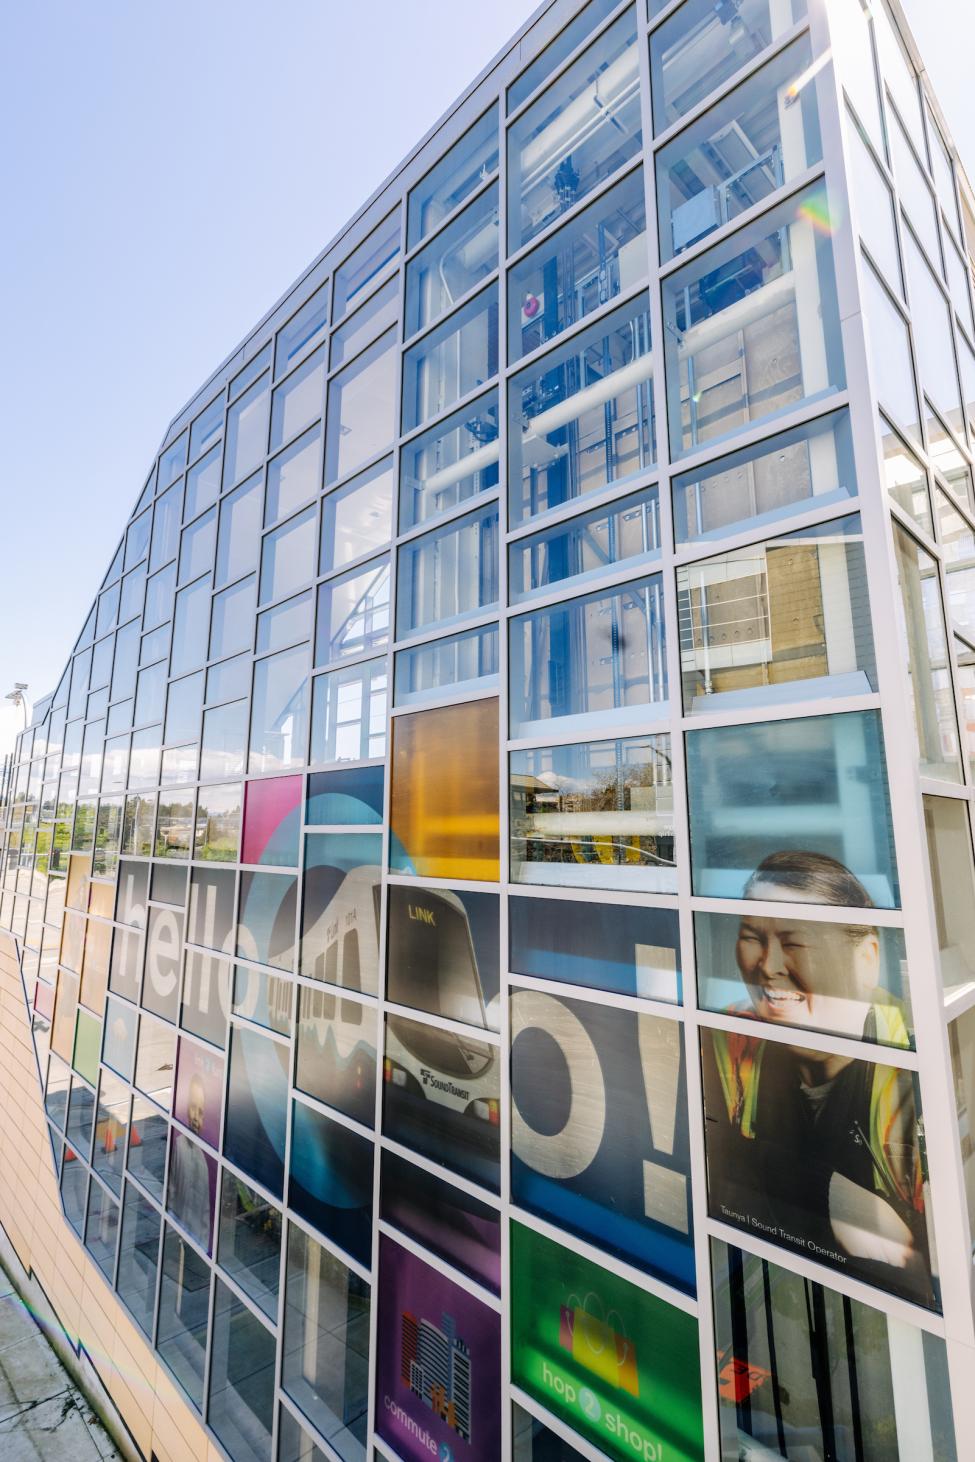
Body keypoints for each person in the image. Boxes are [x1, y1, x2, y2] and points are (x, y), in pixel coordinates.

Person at [702, 851, 934, 1307]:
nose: (768, 966)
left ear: (866, 959)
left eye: (795, 940)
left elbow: (936, 1274)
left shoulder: (919, 1076)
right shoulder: (727, 1039)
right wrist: (825, 1190)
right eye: (752, 937)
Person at [169, 1075, 214, 1252]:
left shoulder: (203, 1162)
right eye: (193, 1108)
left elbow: (204, 1214)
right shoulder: (178, 1147)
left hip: (194, 1247)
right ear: (187, 1108)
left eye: (201, 1112)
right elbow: (170, 1194)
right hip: (175, 1238)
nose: (196, 1117)